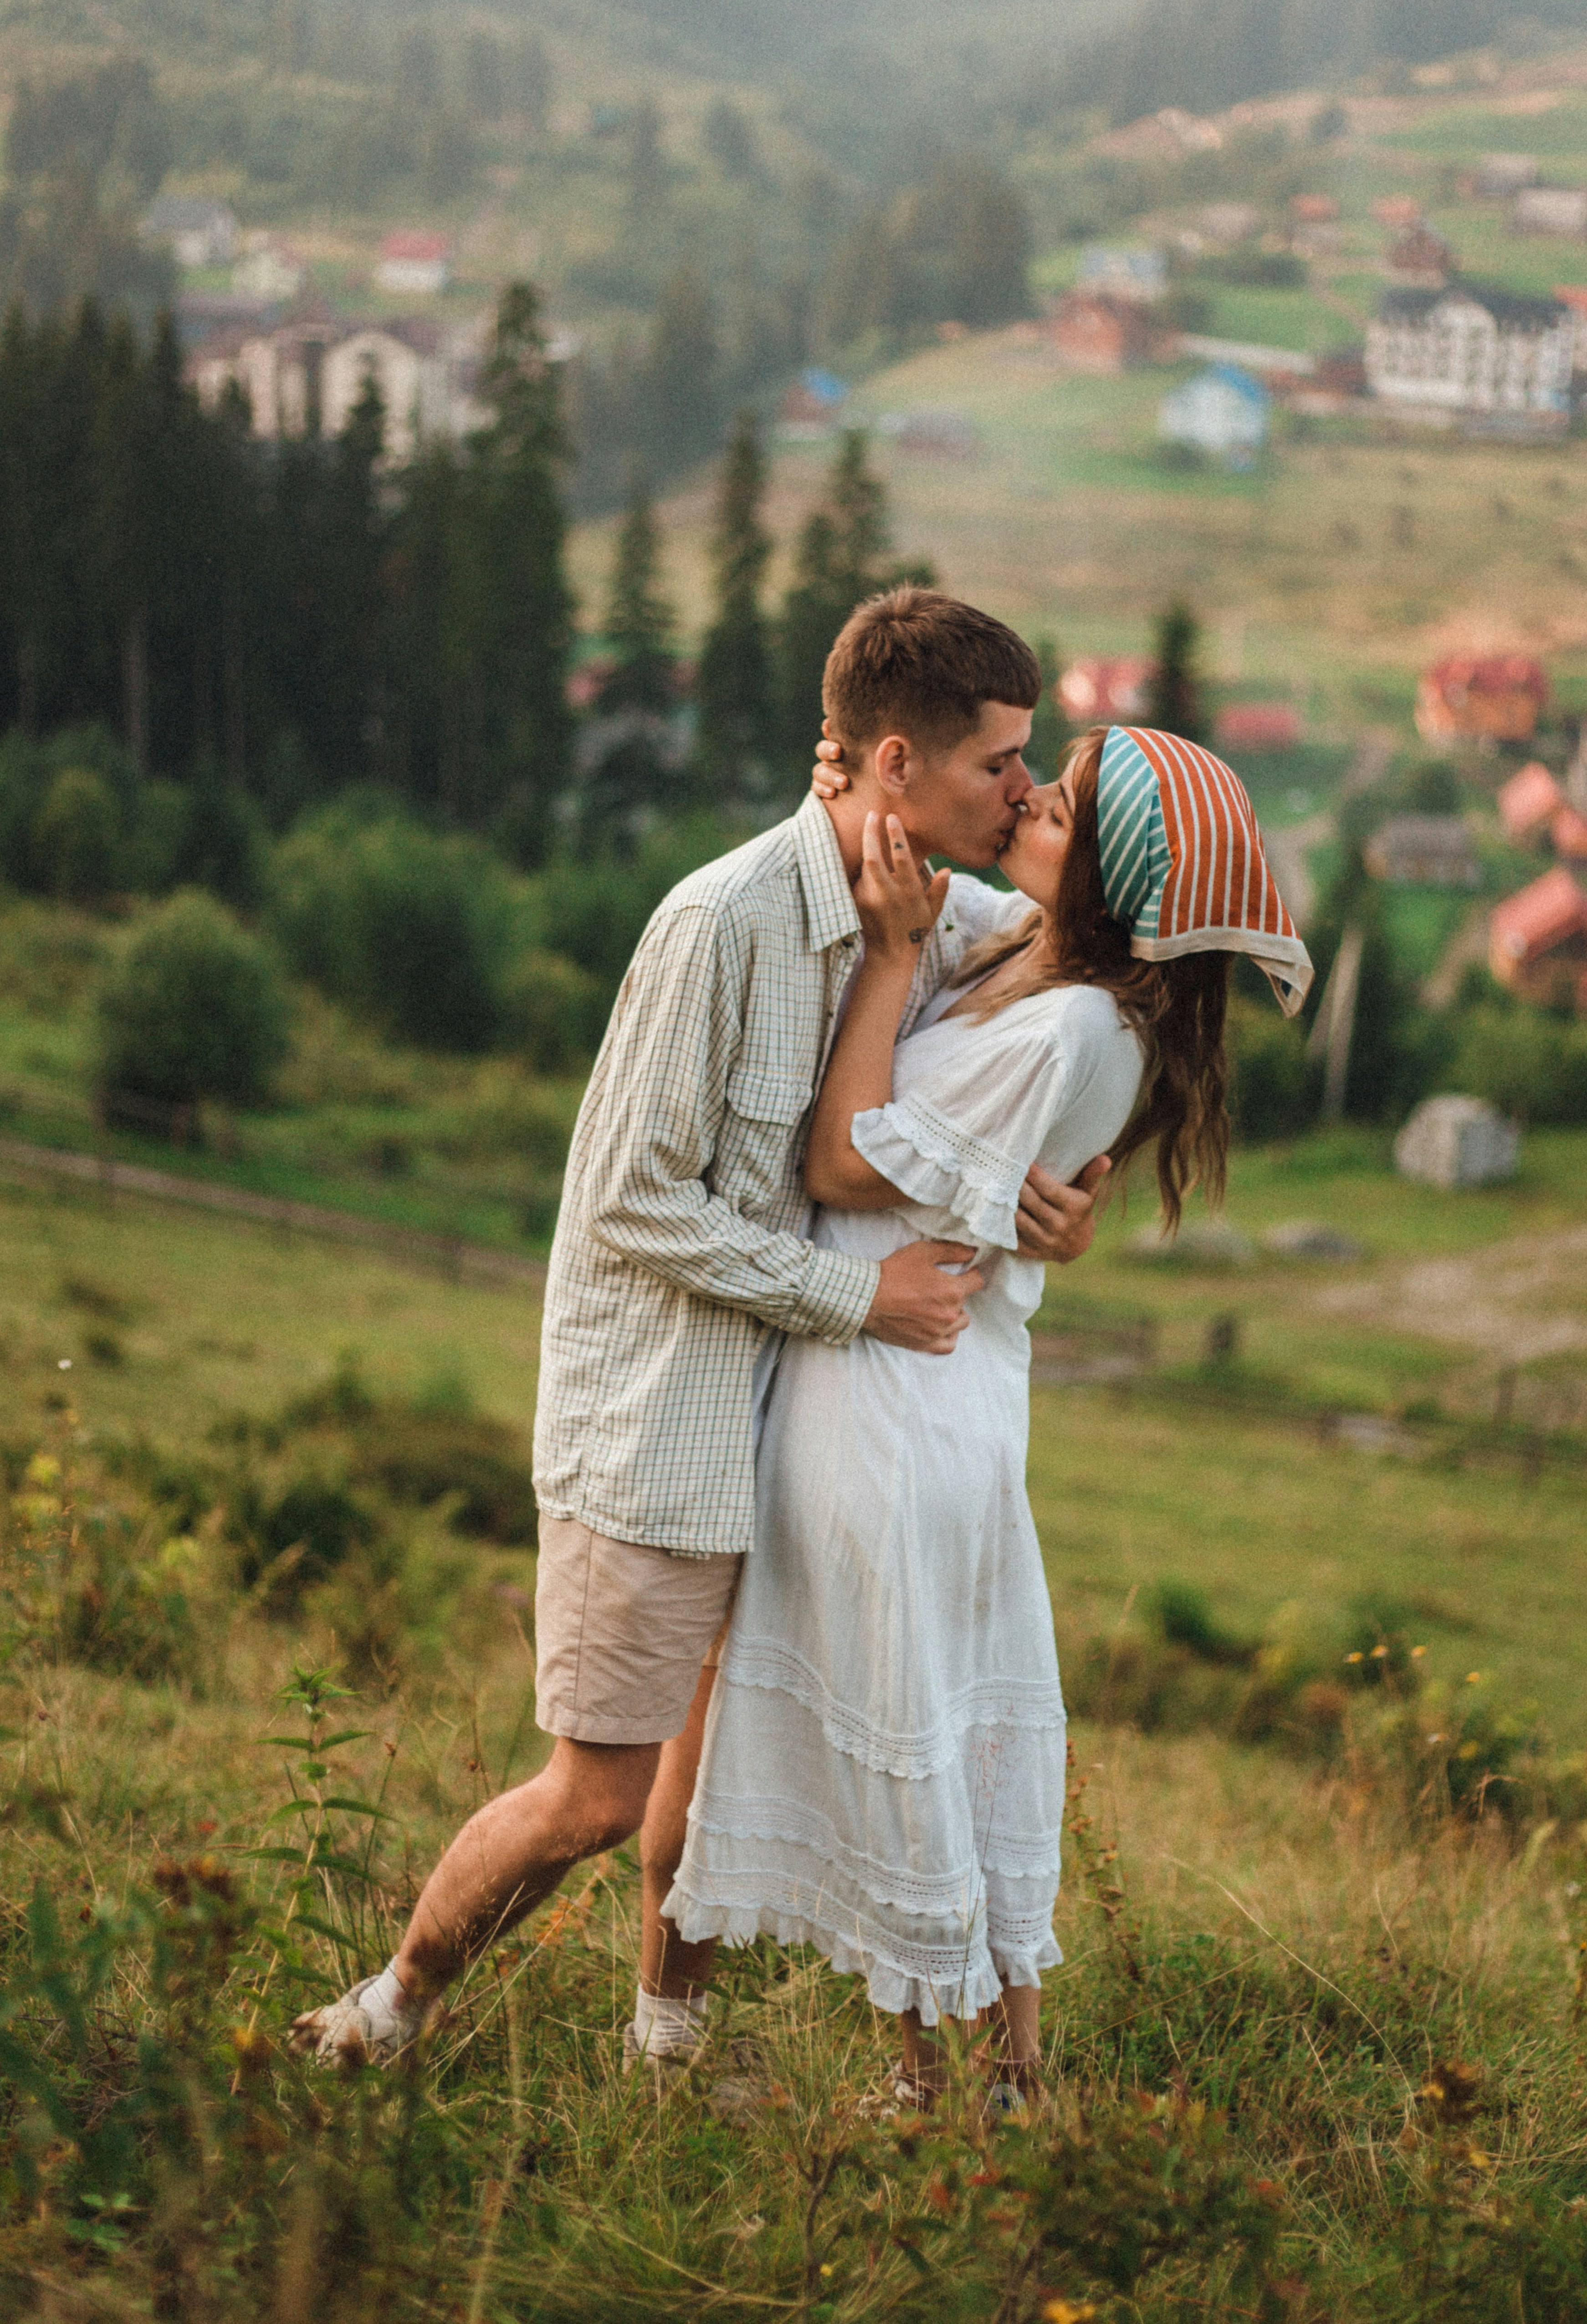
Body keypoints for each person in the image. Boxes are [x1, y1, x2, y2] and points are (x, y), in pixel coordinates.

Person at [292, 587, 1111, 2069]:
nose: (1022, 787)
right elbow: (633, 1207)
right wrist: (858, 1295)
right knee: (598, 1796)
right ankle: (388, 2011)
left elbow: (1088, 936)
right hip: (658, 1426)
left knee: (708, 1779)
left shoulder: (940, 913)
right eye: (998, 759)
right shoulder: (721, 923)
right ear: (890, 762)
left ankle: (664, 2046)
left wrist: (1069, 1200)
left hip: (797, 1438)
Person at [662, 722, 1311, 2106]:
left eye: (1062, 809)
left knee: (917, 1728)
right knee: (954, 1729)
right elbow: (923, 894)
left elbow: (845, 1163)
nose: (1029, 802)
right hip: (941, 1392)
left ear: (1110, 881)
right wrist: (848, 775)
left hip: (897, 1394)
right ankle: (1004, 2076)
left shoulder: (1074, 1016)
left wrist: (891, 958)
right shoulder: (1040, 960)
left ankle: (933, 2082)